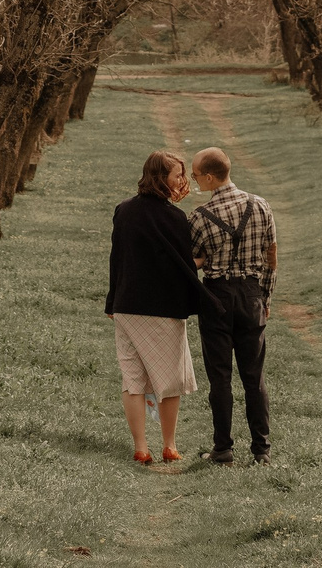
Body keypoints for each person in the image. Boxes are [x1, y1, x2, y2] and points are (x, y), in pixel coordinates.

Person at [106, 150, 220, 465]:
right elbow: (183, 265)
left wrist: (111, 301)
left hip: (127, 306)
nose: (183, 180)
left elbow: (117, 259)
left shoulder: (123, 210)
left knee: (133, 379)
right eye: (177, 176)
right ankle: (169, 445)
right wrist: (205, 259)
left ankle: (141, 448)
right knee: (168, 379)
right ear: (161, 179)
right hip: (164, 309)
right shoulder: (174, 218)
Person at [187, 146, 276, 464]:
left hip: (217, 300)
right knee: (254, 377)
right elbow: (271, 258)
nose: (195, 180)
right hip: (251, 295)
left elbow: (189, 262)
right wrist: (264, 298)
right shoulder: (261, 205)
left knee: (220, 378)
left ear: (210, 177)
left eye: (196, 175)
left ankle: (223, 449)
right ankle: (261, 451)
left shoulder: (198, 217)